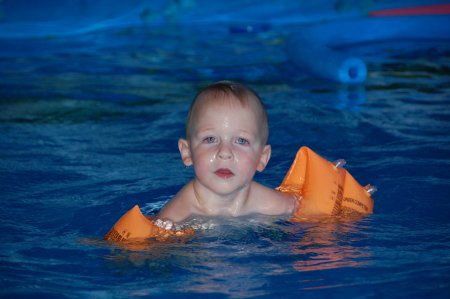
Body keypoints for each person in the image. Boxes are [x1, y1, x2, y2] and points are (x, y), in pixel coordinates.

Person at [157, 81, 298, 223]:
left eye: (241, 141)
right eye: (210, 139)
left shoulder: (277, 205)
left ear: (262, 158)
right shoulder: (174, 218)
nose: (225, 152)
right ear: (187, 152)